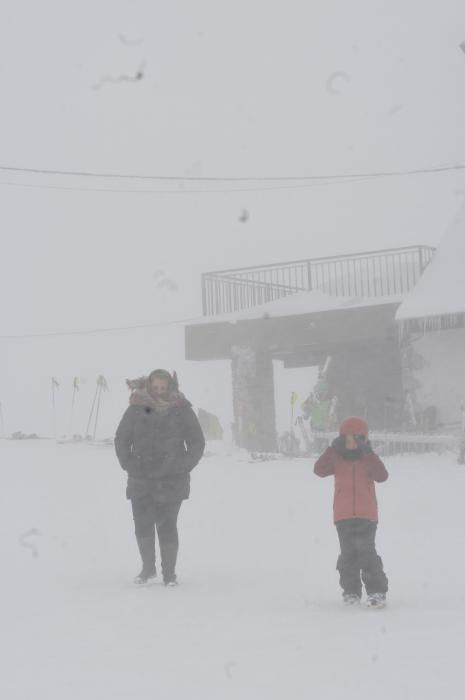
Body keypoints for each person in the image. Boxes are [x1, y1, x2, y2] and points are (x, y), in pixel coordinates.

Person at [115, 369, 205, 586]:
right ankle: (147, 569)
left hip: (172, 478)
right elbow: (121, 439)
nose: (159, 392)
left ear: (171, 387)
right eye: (155, 388)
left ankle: (169, 574)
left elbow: (196, 441)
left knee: (167, 525)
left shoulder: (182, 410)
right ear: (148, 386)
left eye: (163, 388)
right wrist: (129, 464)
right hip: (141, 477)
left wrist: (183, 465)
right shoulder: (136, 409)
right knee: (142, 525)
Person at [314, 416, 389, 608]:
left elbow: (382, 476)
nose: (350, 444)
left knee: (366, 552)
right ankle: (351, 591)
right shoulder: (337, 457)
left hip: (367, 515)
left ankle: (377, 591)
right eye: (346, 439)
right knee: (348, 554)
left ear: (363, 439)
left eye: (355, 439)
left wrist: (369, 453)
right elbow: (319, 470)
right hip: (343, 515)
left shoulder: (368, 458)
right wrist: (331, 449)